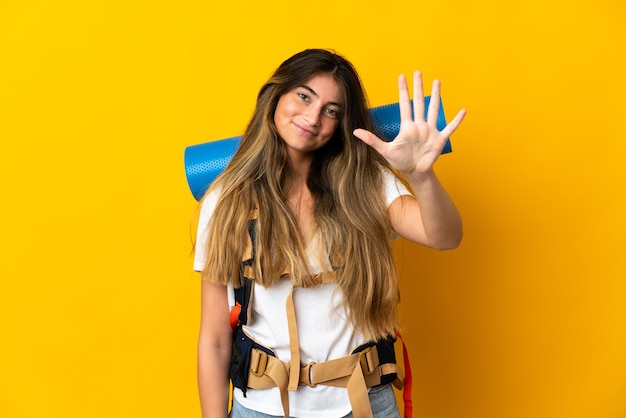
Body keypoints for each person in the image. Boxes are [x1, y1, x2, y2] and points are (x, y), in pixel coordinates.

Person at [194, 49, 466, 418]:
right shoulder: (225, 200)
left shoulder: (367, 182)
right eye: (304, 96)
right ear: (276, 96)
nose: (312, 117)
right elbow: (213, 339)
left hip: (364, 405)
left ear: (341, 123)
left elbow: (444, 236)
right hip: (261, 408)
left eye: (331, 110)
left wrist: (421, 176)